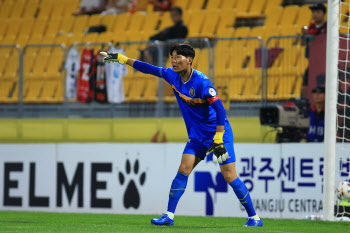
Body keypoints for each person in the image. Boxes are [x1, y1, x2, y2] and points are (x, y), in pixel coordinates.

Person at [100, 43, 263, 227]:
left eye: (178, 57)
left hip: (218, 134)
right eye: (172, 57)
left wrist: (218, 137)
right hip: (197, 136)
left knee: (229, 176)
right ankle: (169, 215)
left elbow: (220, 110)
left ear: (189, 60)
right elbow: (148, 68)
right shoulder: (172, 76)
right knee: (183, 168)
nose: (174, 61)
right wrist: (122, 59)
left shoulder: (202, 82)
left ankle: (254, 218)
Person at [301, 3, 327, 97]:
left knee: (322, 85)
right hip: (312, 62)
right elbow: (305, 43)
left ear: (323, 13)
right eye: (313, 12)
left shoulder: (328, 27)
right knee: (305, 83)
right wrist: (303, 36)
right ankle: (304, 104)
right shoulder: (310, 28)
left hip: (324, 63)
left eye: (317, 12)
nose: (314, 14)